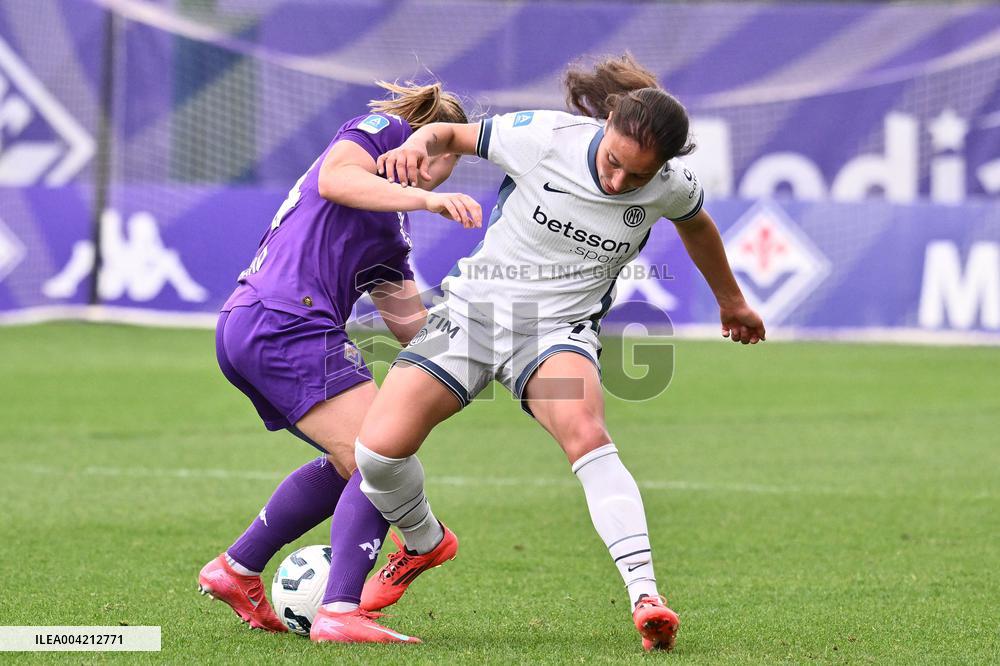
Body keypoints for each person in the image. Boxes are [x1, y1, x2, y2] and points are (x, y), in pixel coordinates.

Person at [350, 54, 766, 652]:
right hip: (471, 315)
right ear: (606, 128)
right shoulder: (542, 136)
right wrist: (420, 142)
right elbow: (448, 134)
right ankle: (423, 542)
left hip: (557, 331)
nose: (622, 183)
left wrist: (732, 301)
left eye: (638, 177)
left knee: (586, 434)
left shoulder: (673, 185)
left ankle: (646, 596)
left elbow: (697, 225)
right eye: (614, 163)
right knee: (378, 455)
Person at [196, 80, 482, 645]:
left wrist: (487, 344)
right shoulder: (381, 135)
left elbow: (411, 329)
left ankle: (237, 568)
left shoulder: (389, 227)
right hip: (285, 320)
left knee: (361, 457)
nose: (435, 170)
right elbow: (335, 178)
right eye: (441, 151)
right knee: (382, 456)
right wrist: (425, 198)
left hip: (260, 324)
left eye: (445, 164)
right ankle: (341, 610)